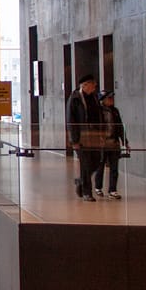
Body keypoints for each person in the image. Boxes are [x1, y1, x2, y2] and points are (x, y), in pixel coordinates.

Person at [67, 73, 103, 201]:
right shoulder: (75, 98)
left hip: (94, 136)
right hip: (81, 138)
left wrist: (101, 133)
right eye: (93, 84)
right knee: (86, 164)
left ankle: (81, 181)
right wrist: (74, 140)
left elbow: (99, 115)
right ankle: (87, 192)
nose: (95, 86)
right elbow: (71, 120)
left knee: (97, 161)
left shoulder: (94, 97)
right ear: (85, 85)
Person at [95, 91, 129, 199]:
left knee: (114, 168)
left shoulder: (115, 111)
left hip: (114, 143)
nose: (111, 100)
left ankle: (113, 190)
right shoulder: (98, 111)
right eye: (109, 98)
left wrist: (125, 141)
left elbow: (120, 126)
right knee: (100, 167)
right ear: (103, 100)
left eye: (112, 98)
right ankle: (98, 187)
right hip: (102, 144)